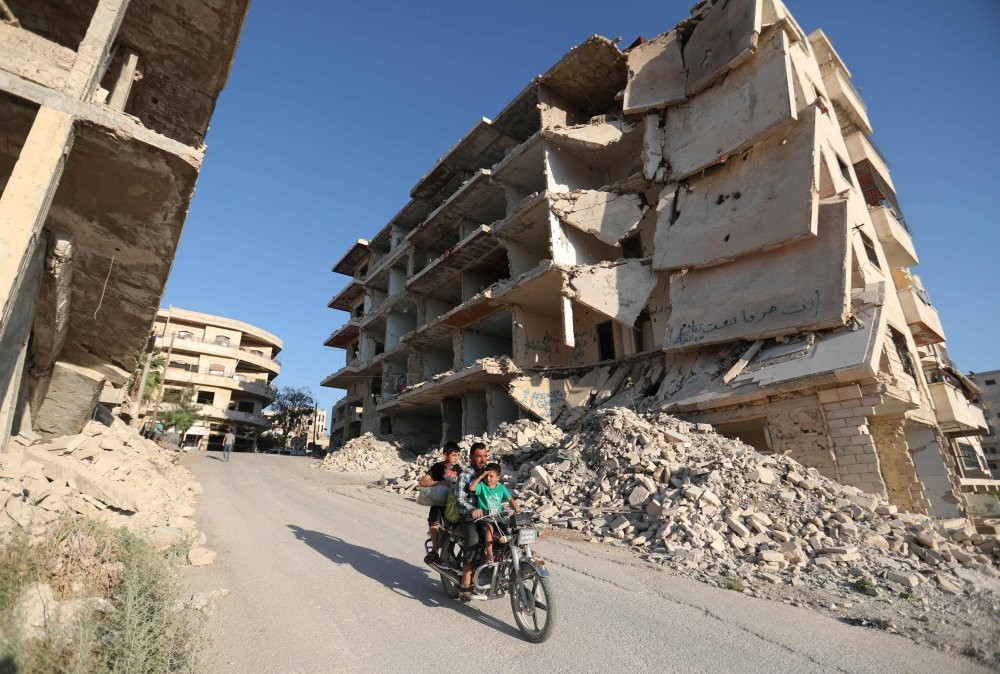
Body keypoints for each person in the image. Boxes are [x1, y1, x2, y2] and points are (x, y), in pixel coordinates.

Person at [453, 441, 489, 602]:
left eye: (485, 456)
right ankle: (466, 577)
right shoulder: (466, 474)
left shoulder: (489, 473)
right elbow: (459, 499)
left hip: (487, 515)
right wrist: (472, 509)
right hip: (469, 515)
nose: (482, 459)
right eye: (479, 456)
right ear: (471, 457)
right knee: (474, 540)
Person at [419, 441, 461, 564]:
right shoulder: (438, 467)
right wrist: (440, 483)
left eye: (457, 455)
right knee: (433, 520)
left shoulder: (458, 469)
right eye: (453, 455)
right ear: (445, 455)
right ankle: (435, 551)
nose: (456, 458)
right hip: (439, 501)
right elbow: (423, 482)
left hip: (452, 503)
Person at [468, 462, 520, 561]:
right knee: (489, 530)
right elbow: (471, 488)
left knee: (511, 531)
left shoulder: (501, 488)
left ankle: (511, 551)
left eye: (491, 476)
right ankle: (490, 555)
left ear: (498, 478)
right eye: (486, 476)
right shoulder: (482, 485)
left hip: (497, 517)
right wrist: (481, 476)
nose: (488, 478)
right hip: (485, 517)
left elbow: (510, 499)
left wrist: (517, 508)